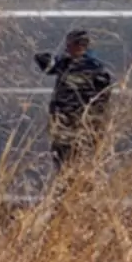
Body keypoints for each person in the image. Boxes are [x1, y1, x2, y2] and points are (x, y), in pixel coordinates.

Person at [34, 28, 113, 171]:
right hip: (64, 120)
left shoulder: (94, 67)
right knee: (62, 158)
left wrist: (93, 119)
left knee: (80, 159)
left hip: (81, 121)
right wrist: (50, 58)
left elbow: (103, 96)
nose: (68, 48)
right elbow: (46, 64)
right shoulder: (65, 62)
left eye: (70, 45)